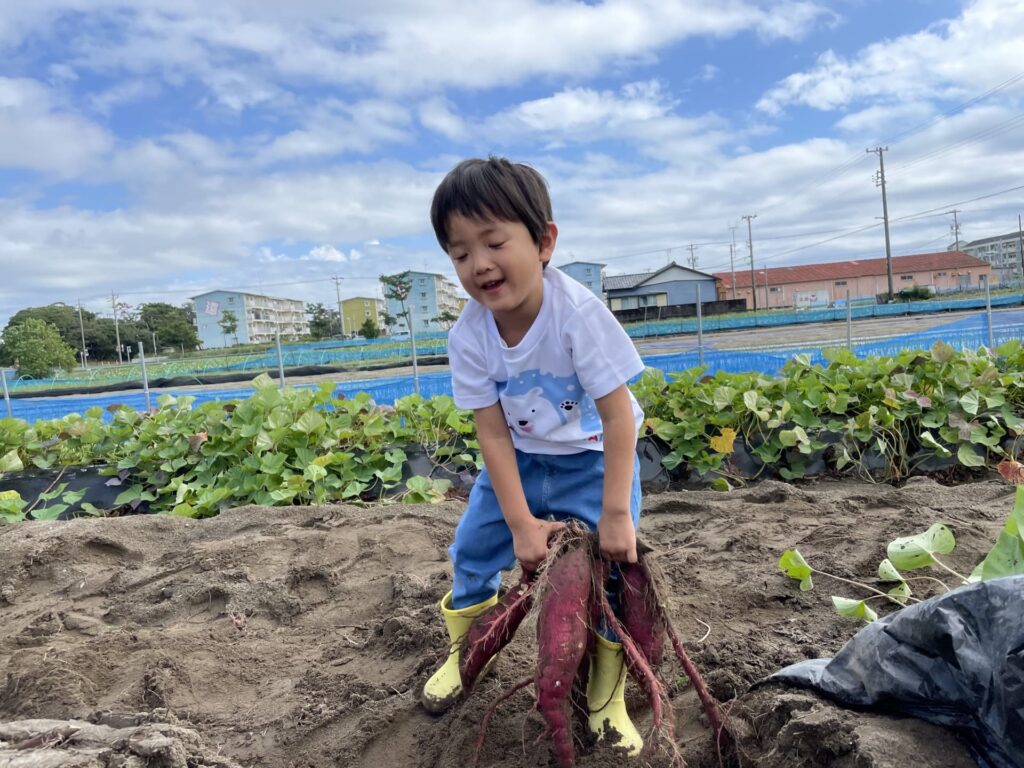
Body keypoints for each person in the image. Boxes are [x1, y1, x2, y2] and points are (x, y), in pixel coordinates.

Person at [420, 156, 647, 755]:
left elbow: (619, 415)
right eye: (460, 253)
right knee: (471, 551)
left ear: (544, 241)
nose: (480, 264)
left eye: (494, 242)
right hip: (519, 461)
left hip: (593, 459)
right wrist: (520, 524)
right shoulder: (468, 335)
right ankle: (468, 654)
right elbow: (491, 433)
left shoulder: (577, 316)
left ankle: (606, 689)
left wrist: (617, 513)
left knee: (614, 572)